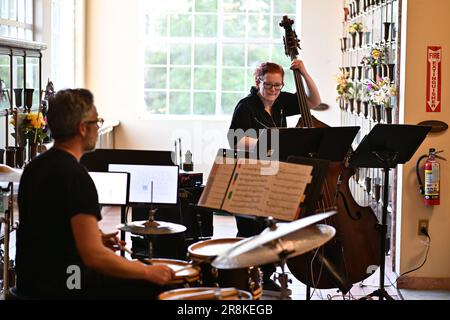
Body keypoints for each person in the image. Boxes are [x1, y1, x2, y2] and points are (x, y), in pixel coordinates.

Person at [16, 89, 175, 300]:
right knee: (155, 286)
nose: (98, 127)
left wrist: (96, 238)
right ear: (82, 128)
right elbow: (94, 257)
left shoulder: (34, 167)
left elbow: (50, 229)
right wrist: (146, 271)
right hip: (68, 284)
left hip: (32, 283)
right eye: (96, 121)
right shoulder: (77, 177)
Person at [227, 60, 321, 292]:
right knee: (250, 230)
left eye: (278, 86)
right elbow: (236, 140)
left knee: (272, 228)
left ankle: (265, 275)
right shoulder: (246, 106)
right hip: (251, 174)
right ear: (257, 82)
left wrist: (304, 72)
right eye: (269, 85)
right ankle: (245, 275)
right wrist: (273, 142)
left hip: (275, 173)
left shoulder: (281, 101)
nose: (273, 90)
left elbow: (314, 101)